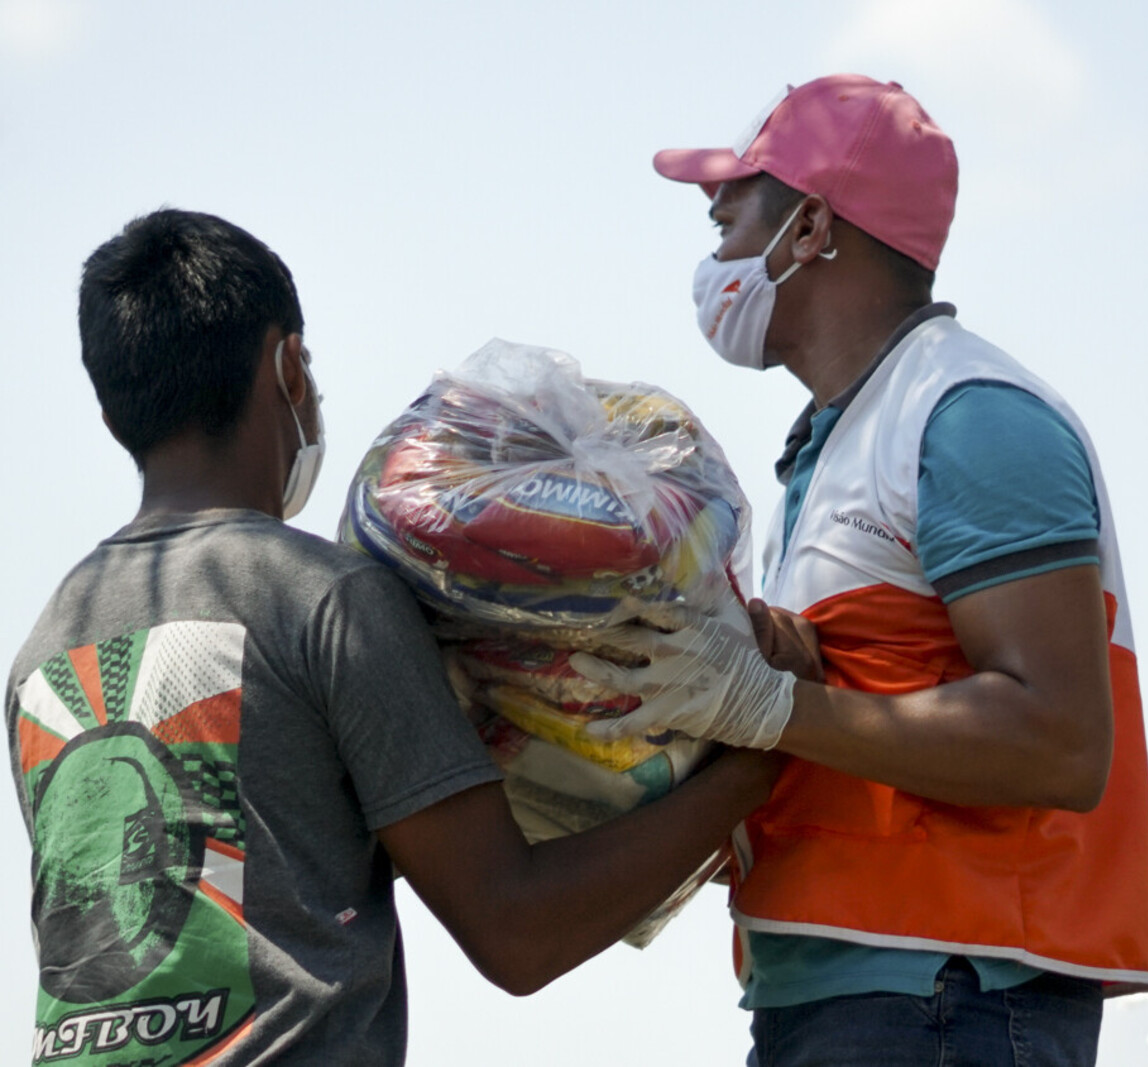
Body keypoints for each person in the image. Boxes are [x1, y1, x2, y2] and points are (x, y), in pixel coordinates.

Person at [5, 208, 781, 1065]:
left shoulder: (48, 643)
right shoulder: (324, 599)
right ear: (289, 367)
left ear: (115, 412)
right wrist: (757, 757)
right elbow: (516, 930)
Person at [568, 74, 1148, 1065]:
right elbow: (868, 721)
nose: (710, 212)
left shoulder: (971, 416)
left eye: (738, 192)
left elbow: (1060, 743)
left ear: (809, 226)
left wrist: (767, 706)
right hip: (861, 988)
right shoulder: (848, 435)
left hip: (945, 992)